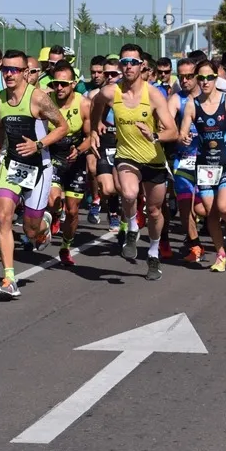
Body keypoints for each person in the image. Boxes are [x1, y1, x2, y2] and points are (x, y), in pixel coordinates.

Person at [90, 44, 179, 281]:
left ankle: (152, 253)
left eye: (133, 62)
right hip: (127, 155)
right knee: (128, 194)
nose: (128, 66)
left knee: (154, 210)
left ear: (142, 66)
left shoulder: (153, 95)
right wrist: (94, 128)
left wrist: (155, 136)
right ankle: (131, 227)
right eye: (124, 62)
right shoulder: (111, 92)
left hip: (153, 159)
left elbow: (174, 131)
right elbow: (95, 103)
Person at [0, 50, 69, 298]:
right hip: (11, 165)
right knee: (2, 216)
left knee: (31, 232)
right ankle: (9, 277)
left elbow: (62, 127)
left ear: (24, 73)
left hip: (39, 167)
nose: (9, 74)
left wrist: (39, 144)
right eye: (5, 70)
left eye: (14, 70)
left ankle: (43, 225)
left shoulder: (38, 98)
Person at [178, 60, 226, 272]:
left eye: (210, 77)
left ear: (216, 78)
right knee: (210, 212)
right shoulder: (192, 104)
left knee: (224, 207)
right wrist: (184, 138)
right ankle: (220, 255)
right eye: (201, 78)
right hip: (206, 165)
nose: (206, 81)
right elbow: (182, 132)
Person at [45, 62, 92, 266]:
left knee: (73, 211)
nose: (59, 88)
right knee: (52, 201)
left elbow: (91, 136)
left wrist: (80, 149)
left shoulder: (83, 104)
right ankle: (54, 214)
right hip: (53, 155)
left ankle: (66, 245)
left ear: (73, 83)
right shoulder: (46, 101)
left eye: (64, 84)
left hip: (75, 157)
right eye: (56, 83)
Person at [168, 58, 206, 263]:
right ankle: (195, 244)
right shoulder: (176, 99)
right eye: (181, 77)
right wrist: (177, 134)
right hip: (183, 159)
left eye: (189, 76)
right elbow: (166, 124)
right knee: (184, 205)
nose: (184, 80)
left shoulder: (210, 98)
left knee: (202, 208)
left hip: (208, 160)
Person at [87, 58, 122, 232]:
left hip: (126, 143)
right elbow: (92, 115)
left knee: (125, 186)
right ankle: (114, 212)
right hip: (106, 141)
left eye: (113, 74)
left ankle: (122, 214)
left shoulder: (129, 95)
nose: (108, 77)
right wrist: (96, 126)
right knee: (108, 189)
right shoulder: (95, 95)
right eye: (105, 73)